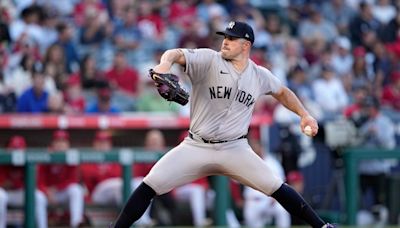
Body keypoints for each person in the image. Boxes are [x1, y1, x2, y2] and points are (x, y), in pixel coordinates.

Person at [112, 21, 335, 228]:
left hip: (234, 149)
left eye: (232, 38)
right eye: (225, 37)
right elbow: (175, 53)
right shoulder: (209, 59)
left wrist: (304, 114)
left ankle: (322, 226)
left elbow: (283, 92)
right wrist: (163, 65)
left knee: (276, 187)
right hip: (196, 146)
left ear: (246, 45)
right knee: (150, 184)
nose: (225, 42)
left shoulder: (259, 75)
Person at [38, 130, 85, 227]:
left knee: (76, 190)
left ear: (68, 144)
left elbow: (73, 180)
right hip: (46, 194)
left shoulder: (71, 157)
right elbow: (38, 180)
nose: (60, 144)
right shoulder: (45, 156)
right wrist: (46, 191)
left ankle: (76, 224)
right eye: (58, 141)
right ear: (52, 143)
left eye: (63, 141)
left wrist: (56, 188)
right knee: (38, 197)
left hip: (61, 192)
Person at [0, 135, 48, 228]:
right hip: (6, 193)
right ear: (8, 149)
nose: (16, 151)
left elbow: (37, 183)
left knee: (39, 197)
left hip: (20, 194)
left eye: (19, 149)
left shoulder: (29, 163)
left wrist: (14, 183)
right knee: (0, 196)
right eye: (13, 148)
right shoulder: (2, 161)